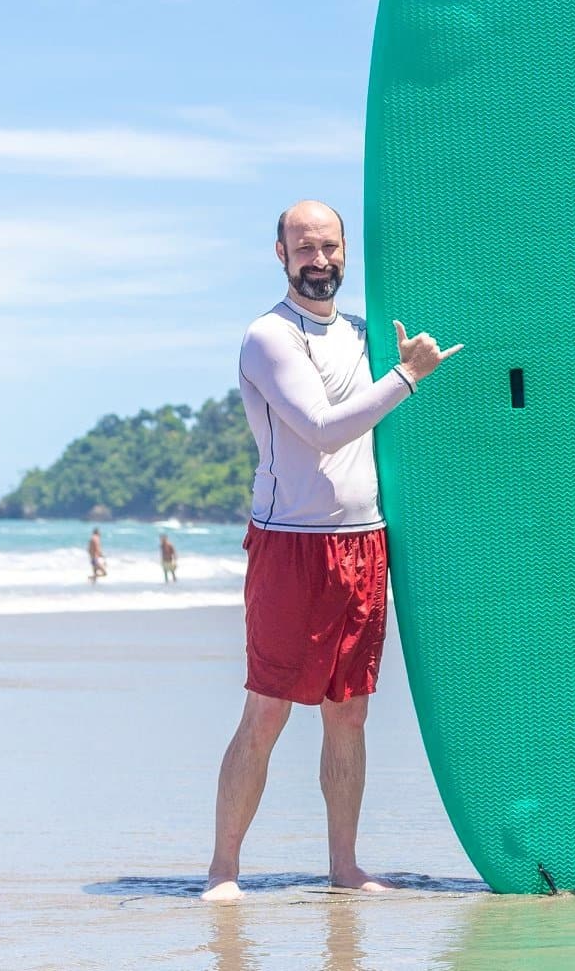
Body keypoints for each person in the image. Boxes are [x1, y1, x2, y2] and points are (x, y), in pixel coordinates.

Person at [203, 200, 460, 901]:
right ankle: (223, 869)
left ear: (347, 252)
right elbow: (320, 428)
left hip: (363, 544)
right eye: (304, 247)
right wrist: (407, 377)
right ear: (280, 255)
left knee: (349, 711)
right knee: (268, 708)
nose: (319, 260)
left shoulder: (367, 336)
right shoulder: (269, 336)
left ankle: (344, 866)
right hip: (291, 546)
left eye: (330, 246)